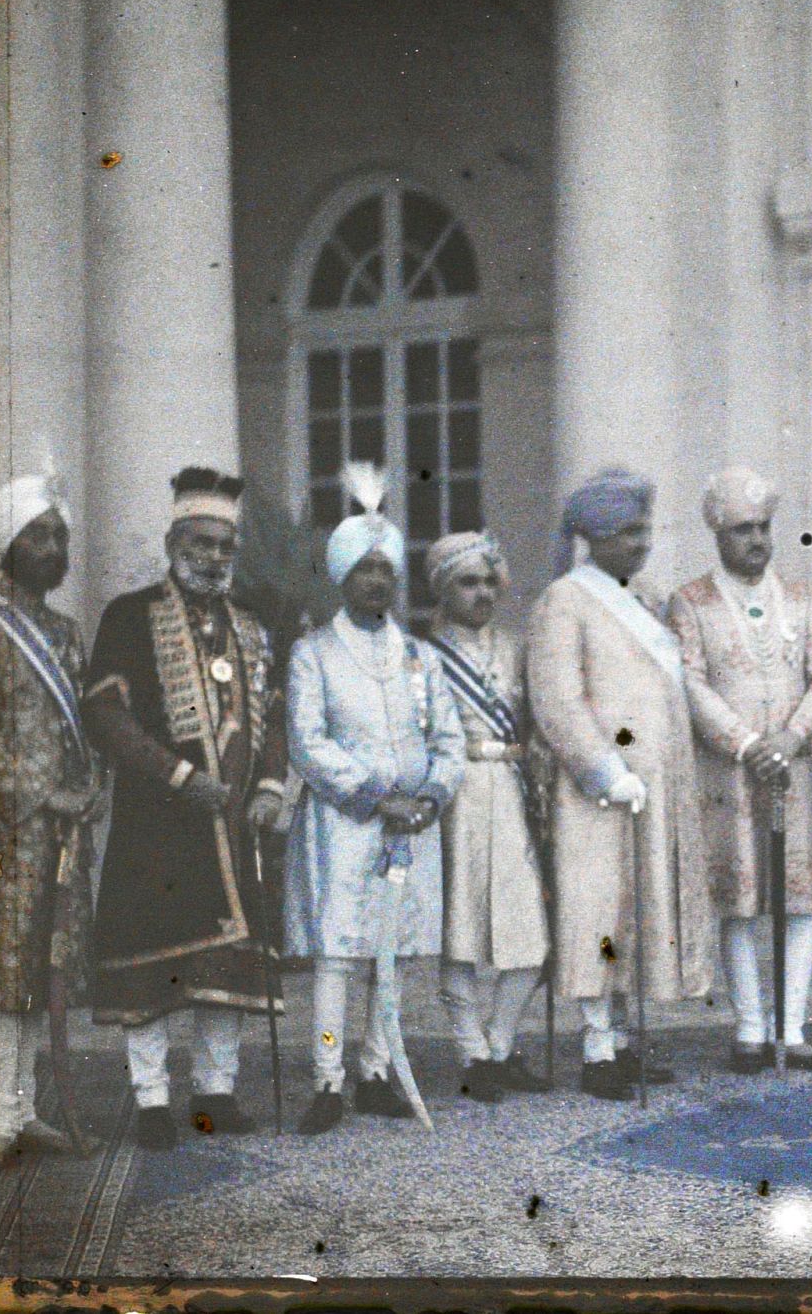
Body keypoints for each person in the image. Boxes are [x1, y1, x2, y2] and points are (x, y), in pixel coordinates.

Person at [83, 468, 288, 1149]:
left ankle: (215, 1091)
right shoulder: (129, 614)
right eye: (201, 543)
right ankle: (149, 1100)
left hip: (233, 824)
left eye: (225, 547)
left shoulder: (252, 628)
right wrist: (175, 774)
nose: (214, 558)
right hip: (158, 822)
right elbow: (105, 713)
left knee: (226, 963)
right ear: (174, 541)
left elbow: (273, 720)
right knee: (152, 961)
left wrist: (268, 788)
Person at [283, 465, 465, 1134]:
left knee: (397, 951)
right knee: (339, 954)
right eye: (364, 570)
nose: (377, 581)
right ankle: (328, 1079)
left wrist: (431, 797)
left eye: (387, 570)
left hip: (414, 825)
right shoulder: (313, 653)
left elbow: (449, 740)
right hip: (345, 823)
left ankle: (376, 1069)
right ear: (342, 577)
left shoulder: (421, 656)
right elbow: (306, 739)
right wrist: (372, 796)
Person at [528, 468, 716, 1099]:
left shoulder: (646, 597)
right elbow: (557, 699)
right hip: (600, 789)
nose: (642, 543)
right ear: (596, 537)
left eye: (646, 530)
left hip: (656, 782)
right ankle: (596, 1045)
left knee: (644, 904)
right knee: (600, 907)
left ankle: (631, 1036)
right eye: (629, 533)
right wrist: (603, 769)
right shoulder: (564, 600)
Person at [668, 467, 812, 1073]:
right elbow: (688, 683)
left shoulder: (800, 597)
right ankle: (749, 1027)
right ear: (718, 533)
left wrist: (793, 735)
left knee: (801, 897)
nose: (757, 541)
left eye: (764, 528)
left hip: (794, 768)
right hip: (729, 773)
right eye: (744, 530)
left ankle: (793, 1029)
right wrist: (746, 744)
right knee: (737, 896)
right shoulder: (689, 603)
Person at [0, 467, 103, 1161]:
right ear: (6, 542)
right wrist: (40, 791)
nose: (52, 547)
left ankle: (24, 1109)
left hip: (62, 833)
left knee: (45, 968)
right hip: (2, 830)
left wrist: (88, 788)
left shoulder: (65, 631)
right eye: (37, 534)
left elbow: (80, 727)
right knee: (4, 971)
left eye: (59, 536)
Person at [424, 531, 552, 1101]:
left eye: (487, 582)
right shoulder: (424, 655)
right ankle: (472, 1053)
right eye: (466, 583)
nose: (481, 593)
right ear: (442, 590)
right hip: (459, 794)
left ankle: (499, 1045)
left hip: (515, 787)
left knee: (530, 932)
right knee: (462, 930)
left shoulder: (517, 646)